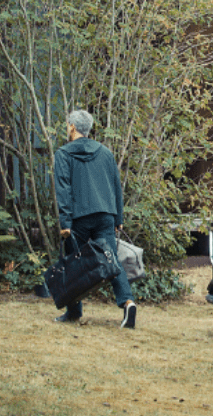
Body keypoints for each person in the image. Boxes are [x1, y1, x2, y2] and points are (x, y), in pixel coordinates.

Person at [54, 110, 136, 328]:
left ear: (72, 127)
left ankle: (73, 313)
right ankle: (128, 303)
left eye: (67, 125)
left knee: (75, 264)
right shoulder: (105, 153)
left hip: (79, 217)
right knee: (111, 261)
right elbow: (116, 187)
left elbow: (63, 190)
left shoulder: (63, 154)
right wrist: (118, 216)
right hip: (105, 215)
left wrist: (65, 222)